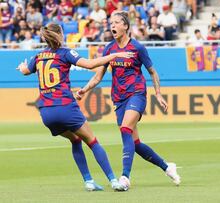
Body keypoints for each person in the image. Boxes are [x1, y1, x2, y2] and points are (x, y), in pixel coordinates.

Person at [16, 23, 134, 191]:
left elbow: (25, 71)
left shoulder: (38, 56)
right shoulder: (65, 53)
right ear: (59, 34)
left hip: (46, 113)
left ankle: (88, 181)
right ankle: (114, 181)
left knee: (75, 139)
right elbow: (90, 64)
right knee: (92, 141)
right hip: (65, 107)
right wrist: (114, 55)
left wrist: (21, 67)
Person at [76, 11, 181, 191]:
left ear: (126, 26)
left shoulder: (137, 48)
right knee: (135, 143)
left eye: (117, 23)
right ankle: (166, 166)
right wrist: (85, 89)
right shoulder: (109, 49)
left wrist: (158, 94)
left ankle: (125, 177)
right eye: (111, 23)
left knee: (125, 128)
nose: (112, 26)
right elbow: (98, 76)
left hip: (137, 94)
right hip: (119, 98)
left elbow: (153, 72)